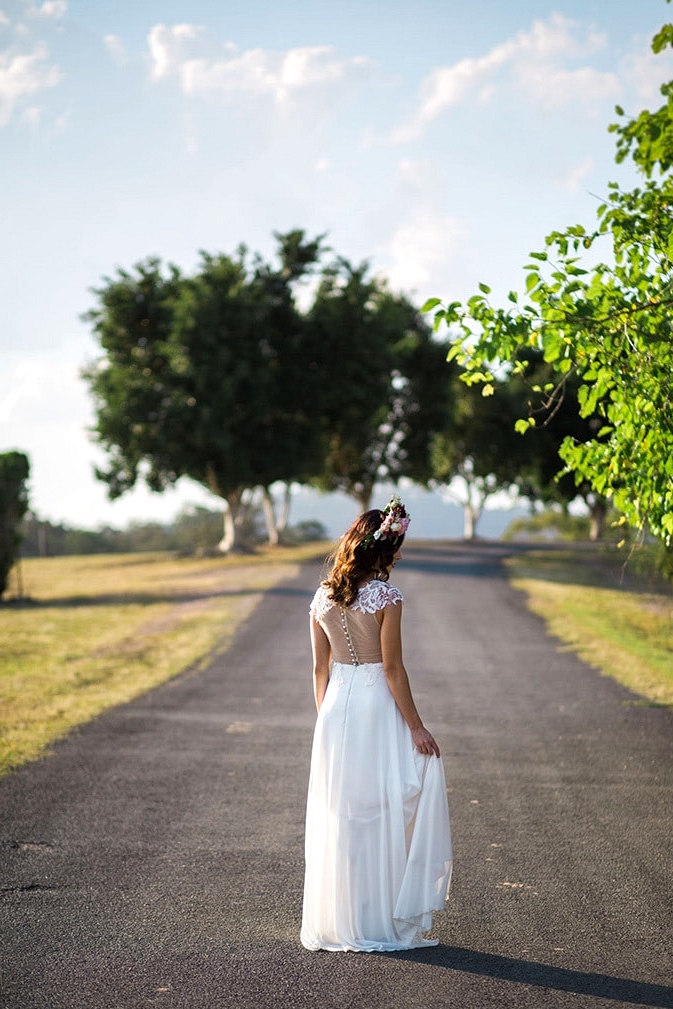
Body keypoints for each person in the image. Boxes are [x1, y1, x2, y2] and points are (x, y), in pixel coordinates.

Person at [300, 495, 452, 953]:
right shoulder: (388, 597)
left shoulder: (322, 596)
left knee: (342, 813)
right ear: (380, 549)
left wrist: (326, 719)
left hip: (334, 710)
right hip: (376, 708)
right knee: (384, 807)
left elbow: (319, 671)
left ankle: (341, 919)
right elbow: (392, 669)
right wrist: (417, 727)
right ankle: (378, 918)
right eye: (397, 547)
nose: (400, 555)